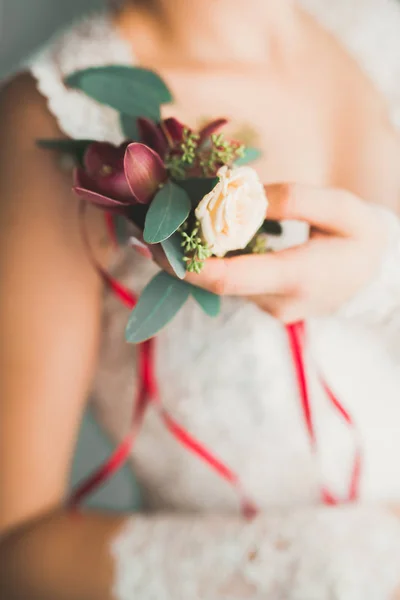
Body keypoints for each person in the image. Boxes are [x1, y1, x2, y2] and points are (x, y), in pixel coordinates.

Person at [1, 0, 400, 598]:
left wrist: (379, 279)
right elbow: (16, 551)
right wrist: (351, 563)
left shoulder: (375, 31)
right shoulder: (54, 122)